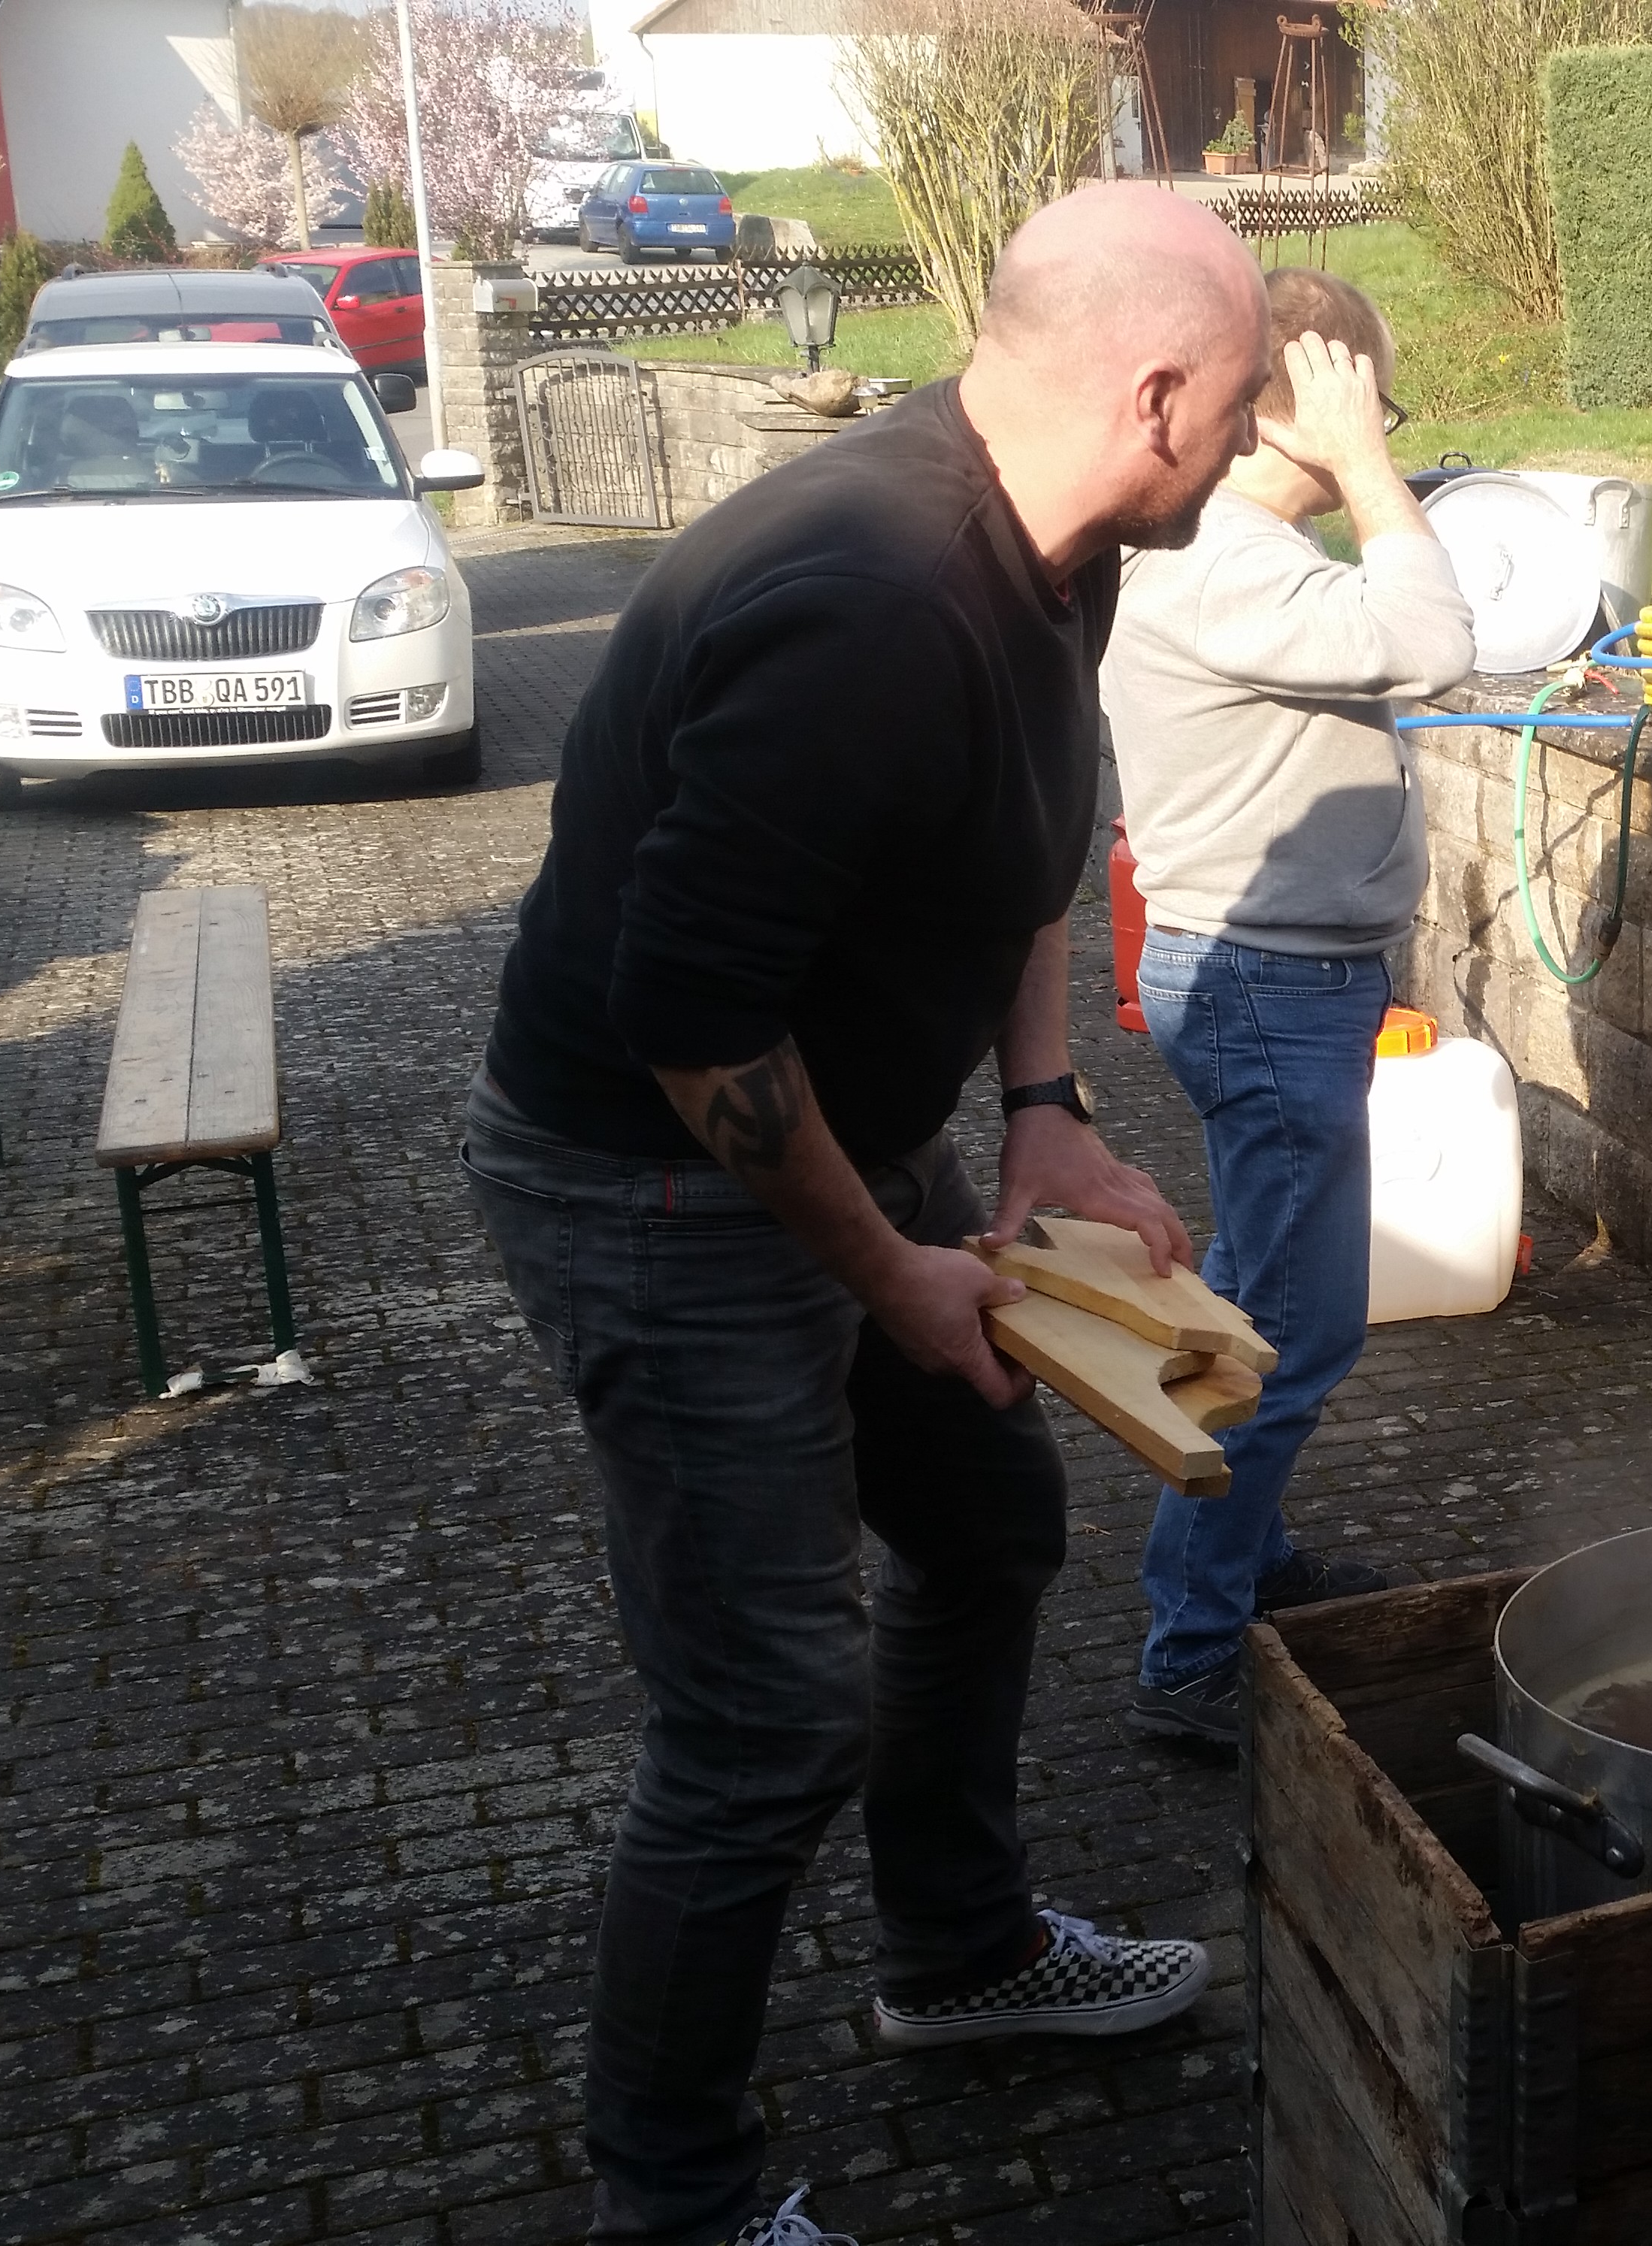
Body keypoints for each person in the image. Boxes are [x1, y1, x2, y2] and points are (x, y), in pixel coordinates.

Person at [458, 184, 1269, 2246]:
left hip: (859, 1130)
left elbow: (1027, 844)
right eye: (1248, 399)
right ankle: (674, 2199)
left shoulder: (1056, 547)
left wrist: (1044, 1110)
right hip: (655, 1175)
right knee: (762, 1717)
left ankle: (961, 1953)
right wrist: (888, 1270)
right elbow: (687, 1019)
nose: (1259, 437)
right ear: (1155, 393)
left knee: (987, 1524)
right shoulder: (869, 601)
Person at [1103, 266, 1476, 1750]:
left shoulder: (1245, 554)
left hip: (1274, 980)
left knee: (1249, 1308)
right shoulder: (1225, 562)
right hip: (1268, 987)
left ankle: (1241, 1566)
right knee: (1288, 1336)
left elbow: (1399, 618)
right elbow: (1435, 640)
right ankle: (1193, 1650)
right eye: (1368, 403)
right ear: (1296, 406)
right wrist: (1369, 464)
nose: (1382, 434)